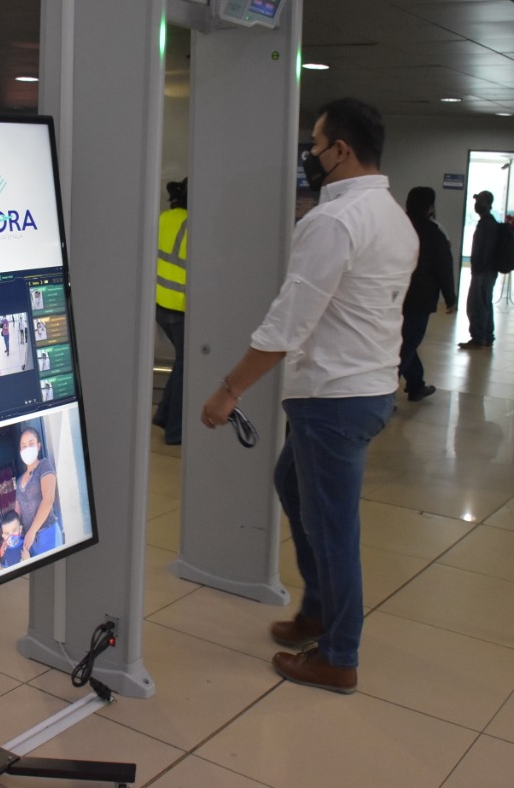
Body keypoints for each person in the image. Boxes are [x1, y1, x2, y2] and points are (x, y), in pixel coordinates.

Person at [200, 98, 417, 694]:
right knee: (293, 486)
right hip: (364, 389)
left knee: (334, 527)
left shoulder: (334, 222)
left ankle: (339, 655)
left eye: (316, 144)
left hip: (334, 399)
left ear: (340, 150)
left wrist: (228, 390)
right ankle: (320, 609)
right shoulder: (393, 216)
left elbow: (288, 322)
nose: (311, 154)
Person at [399, 187, 457, 401]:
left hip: (392, 296)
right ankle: (384, 393)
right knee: (407, 344)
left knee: (403, 342)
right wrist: (450, 299)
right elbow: (444, 268)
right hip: (419, 299)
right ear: (430, 206)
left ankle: (415, 384)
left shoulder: (396, 226)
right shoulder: (434, 232)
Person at [153, 177, 188, 445]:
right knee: (187, 366)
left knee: (181, 362)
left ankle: (163, 415)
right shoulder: (194, 224)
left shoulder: (165, 217)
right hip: (181, 308)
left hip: (160, 305)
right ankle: (175, 431)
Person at [460, 190, 499, 349]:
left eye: (480, 201)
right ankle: (487, 336)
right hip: (486, 271)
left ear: (488, 204)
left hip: (483, 271)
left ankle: (478, 338)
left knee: (477, 305)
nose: (477, 205)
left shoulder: (487, 224)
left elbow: (485, 250)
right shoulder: (487, 222)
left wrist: (478, 269)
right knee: (485, 302)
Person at [16, 427, 63, 558]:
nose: (27, 448)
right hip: (29, 542)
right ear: (20, 450)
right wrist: (9, 536)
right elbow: (16, 513)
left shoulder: (44, 465)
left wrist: (32, 531)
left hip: (47, 533)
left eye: (31, 444)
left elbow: (48, 500)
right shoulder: (19, 480)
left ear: (38, 446)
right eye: (23, 446)